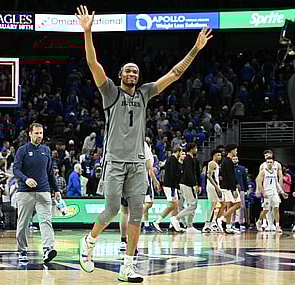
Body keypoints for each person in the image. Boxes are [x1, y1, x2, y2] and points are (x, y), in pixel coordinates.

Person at [76, 5, 212, 282]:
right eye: (128, 71)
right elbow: (93, 64)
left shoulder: (146, 93)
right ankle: (88, 242)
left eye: (135, 71)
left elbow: (175, 74)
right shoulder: (110, 92)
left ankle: (128, 265)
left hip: (137, 162)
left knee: (137, 213)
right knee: (112, 209)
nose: (132, 73)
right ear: (120, 76)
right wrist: (88, 32)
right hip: (114, 160)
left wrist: (195, 49)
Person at [13, 123, 60, 264]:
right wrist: (25, 179)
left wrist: (56, 189)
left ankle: (47, 249)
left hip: (44, 191)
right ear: (30, 134)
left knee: (46, 221)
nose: (40, 136)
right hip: (25, 192)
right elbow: (16, 169)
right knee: (22, 224)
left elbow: (50, 172)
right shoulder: (22, 150)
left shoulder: (46, 150)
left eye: (41, 133)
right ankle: (22, 250)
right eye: (37, 133)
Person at [119, 141, 158, 252]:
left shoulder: (122, 142)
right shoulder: (142, 144)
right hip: (138, 181)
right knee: (135, 213)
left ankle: (123, 241)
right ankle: (133, 244)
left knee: (124, 211)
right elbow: (149, 166)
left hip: (123, 178)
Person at [170, 143, 202, 233]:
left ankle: (190, 226)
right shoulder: (187, 159)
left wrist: (199, 184)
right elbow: (189, 173)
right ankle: (176, 218)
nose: (196, 149)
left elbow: (196, 173)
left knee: (191, 204)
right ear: (191, 149)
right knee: (192, 205)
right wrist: (194, 184)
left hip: (189, 184)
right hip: (187, 184)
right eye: (195, 148)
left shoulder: (193, 159)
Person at [152, 146, 182, 232]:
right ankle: (157, 222)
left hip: (172, 185)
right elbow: (173, 174)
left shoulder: (171, 159)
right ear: (178, 152)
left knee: (175, 206)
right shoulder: (173, 160)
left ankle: (173, 225)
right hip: (170, 186)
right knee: (172, 205)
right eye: (181, 152)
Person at [256, 158, 288, 232]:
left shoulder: (274, 172)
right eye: (268, 162)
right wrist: (263, 192)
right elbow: (259, 183)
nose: (269, 163)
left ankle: (277, 225)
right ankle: (259, 221)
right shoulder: (263, 172)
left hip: (274, 193)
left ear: (273, 164)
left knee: (276, 208)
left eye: (271, 162)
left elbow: (276, 183)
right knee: (265, 210)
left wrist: (282, 192)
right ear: (266, 163)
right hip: (267, 192)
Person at [216, 144, 241, 234]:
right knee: (238, 204)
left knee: (230, 206)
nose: (236, 152)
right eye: (235, 150)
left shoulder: (224, 161)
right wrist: (234, 189)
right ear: (231, 151)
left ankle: (228, 226)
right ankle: (221, 219)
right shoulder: (228, 161)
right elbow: (230, 176)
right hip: (228, 187)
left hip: (225, 186)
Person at [202, 149, 222, 233]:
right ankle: (207, 224)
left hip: (214, 185)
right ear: (213, 156)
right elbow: (209, 176)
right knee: (213, 204)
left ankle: (213, 223)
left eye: (220, 155)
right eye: (218, 155)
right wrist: (216, 187)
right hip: (212, 186)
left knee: (216, 204)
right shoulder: (212, 163)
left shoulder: (216, 164)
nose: (220, 157)